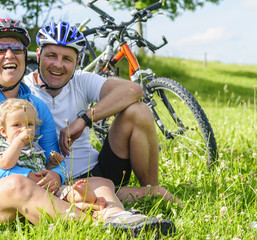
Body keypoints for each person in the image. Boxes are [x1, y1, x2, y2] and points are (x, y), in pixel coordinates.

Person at [0, 18, 175, 237]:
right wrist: (28, 176)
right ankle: (103, 225)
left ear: (26, 57)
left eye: (16, 49)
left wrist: (56, 175)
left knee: (101, 183)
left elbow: (54, 157)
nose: (9, 55)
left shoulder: (36, 105)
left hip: (32, 187)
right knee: (18, 185)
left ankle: (118, 215)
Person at [23, 21, 179, 205]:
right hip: (54, 180)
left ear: (77, 62)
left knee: (139, 110)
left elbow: (134, 90)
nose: (58, 64)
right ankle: (131, 196)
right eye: (51, 56)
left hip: (97, 169)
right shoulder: (23, 89)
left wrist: (83, 119)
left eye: (67, 59)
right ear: (39, 55)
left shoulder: (80, 80)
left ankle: (150, 190)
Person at [0, 98, 105, 211]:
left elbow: (41, 168)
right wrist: (19, 141)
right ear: (3, 131)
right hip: (24, 194)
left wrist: (51, 164)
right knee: (52, 202)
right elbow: (5, 164)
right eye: (17, 125)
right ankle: (85, 205)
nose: (24, 129)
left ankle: (82, 196)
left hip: (46, 189)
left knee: (64, 192)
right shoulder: (0, 148)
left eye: (29, 124)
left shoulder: (35, 147)